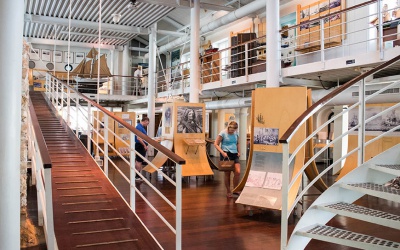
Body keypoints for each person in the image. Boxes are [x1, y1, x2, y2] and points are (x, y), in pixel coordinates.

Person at [214, 121, 240, 198]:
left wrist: (239, 151)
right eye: (231, 130)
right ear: (228, 127)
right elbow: (216, 144)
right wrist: (222, 152)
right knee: (227, 174)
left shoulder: (236, 133)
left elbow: (237, 143)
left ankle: (235, 189)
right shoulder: (223, 133)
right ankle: (228, 191)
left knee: (237, 172)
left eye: (233, 130)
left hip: (234, 154)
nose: (232, 132)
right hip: (226, 154)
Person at [135, 117, 150, 183]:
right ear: (145, 121)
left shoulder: (140, 127)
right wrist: (144, 145)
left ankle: (137, 175)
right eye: (147, 123)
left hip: (140, 145)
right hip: (140, 145)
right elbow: (139, 138)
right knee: (139, 161)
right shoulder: (139, 127)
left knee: (139, 161)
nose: (147, 124)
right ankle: (137, 176)